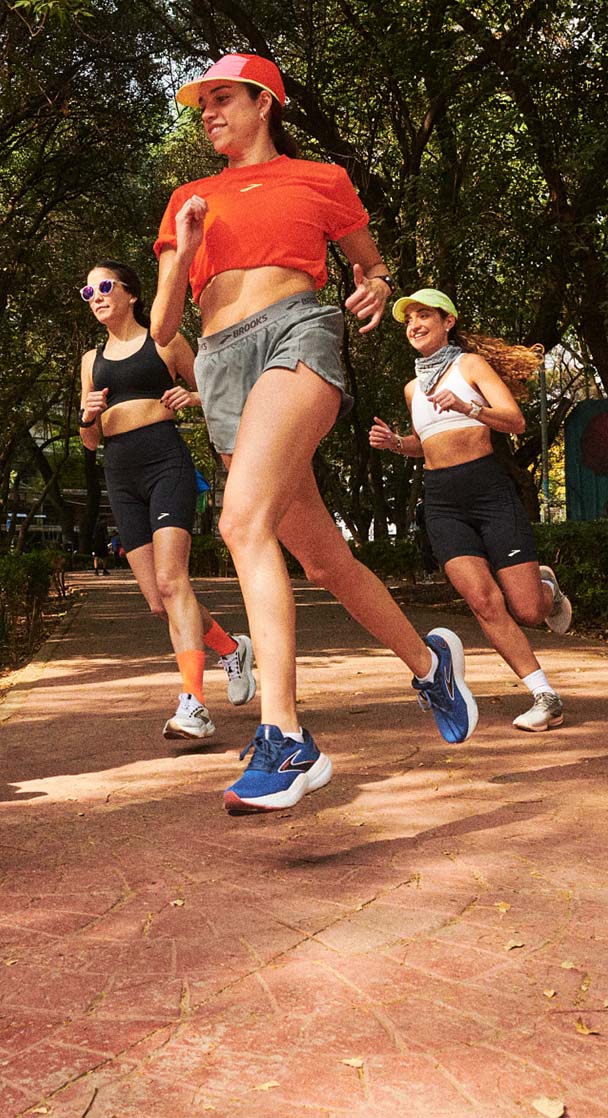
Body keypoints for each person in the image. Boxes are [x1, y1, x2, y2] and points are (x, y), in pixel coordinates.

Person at [151, 52, 478, 815]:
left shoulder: (321, 180)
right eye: (203, 104)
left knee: (240, 521)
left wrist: (378, 287)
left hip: (297, 334)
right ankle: (430, 665)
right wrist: (190, 247)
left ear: (265, 102)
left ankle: (286, 736)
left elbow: (372, 268)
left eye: (222, 98)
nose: (208, 113)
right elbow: (165, 325)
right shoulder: (188, 197)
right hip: (221, 362)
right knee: (324, 559)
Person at [370, 288, 572, 732]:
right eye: (409, 319)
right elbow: (428, 445)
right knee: (483, 603)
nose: (415, 324)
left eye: (425, 315)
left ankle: (546, 592)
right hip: (442, 501)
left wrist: (469, 406)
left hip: (489, 490)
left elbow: (515, 421)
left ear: (448, 323)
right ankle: (544, 695)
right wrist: (398, 444)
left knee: (527, 610)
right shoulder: (412, 389)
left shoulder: (470, 366)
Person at [78, 259, 256, 739]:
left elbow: (214, 392)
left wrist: (189, 398)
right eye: (88, 292)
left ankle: (194, 704)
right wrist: (87, 415)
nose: (96, 296)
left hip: (165, 465)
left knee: (173, 581)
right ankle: (230, 649)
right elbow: (90, 442)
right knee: (158, 600)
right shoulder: (91, 361)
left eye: (105, 287)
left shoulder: (165, 343)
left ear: (131, 294)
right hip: (119, 472)